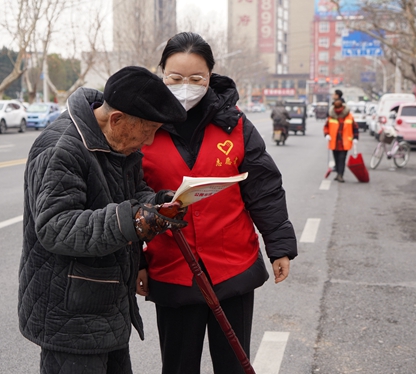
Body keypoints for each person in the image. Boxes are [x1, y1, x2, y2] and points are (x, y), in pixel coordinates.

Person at [138, 32, 298, 374]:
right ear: (161, 74)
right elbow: (127, 201)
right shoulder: (144, 128)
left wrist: (279, 246)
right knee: (179, 367)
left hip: (232, 266)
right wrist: (135, 262)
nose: (186, 86)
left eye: (196, 78)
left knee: (233, 365)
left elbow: (264, 188)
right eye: (175, 78)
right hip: (172, 266)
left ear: (210, 77)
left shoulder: (236, 125)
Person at [19, 66, 188, 374]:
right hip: (71, 314)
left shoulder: (118, 141)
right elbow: (56, 226)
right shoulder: (62, 147)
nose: (149, 141)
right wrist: (131, 221)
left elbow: (135, 193)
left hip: (106, 304)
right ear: (116, 119)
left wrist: (158, 206)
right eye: (147, 131)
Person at [323, 97, 359, 182]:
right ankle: (338, 173)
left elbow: (355, 127)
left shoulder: (349, 116)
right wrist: (326, 134)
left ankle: (340, 175)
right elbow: (326, 127)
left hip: (344, 142)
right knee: (336, 159)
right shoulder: (331, 116)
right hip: (334, 142)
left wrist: (355, 138)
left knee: (342, 159)